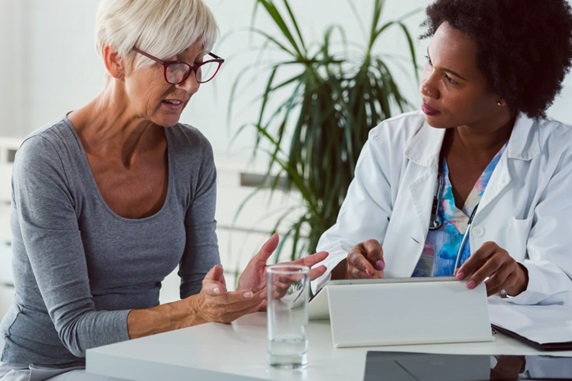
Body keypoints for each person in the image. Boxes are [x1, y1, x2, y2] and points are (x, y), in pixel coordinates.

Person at [0, 0, 327, 380]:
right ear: (115, 60)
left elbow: (200, 294)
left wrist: (238, 299)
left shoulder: (193, 154)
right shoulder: (47, 159)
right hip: (48, 367)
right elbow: (76, 331)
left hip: (142, 360)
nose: (189, 84)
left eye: (198, 64)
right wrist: (199, 310)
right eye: (173, 65)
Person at [312, 0, 572, 306]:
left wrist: (518, 276)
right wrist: (351, 264)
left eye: (450, 79)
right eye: (430, 63)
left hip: (502, 347)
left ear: (505, 90)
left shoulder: (564, 155)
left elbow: (563, 282)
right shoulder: (390, 142)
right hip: (390, 337)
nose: (427, 87)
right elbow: (336, 250)